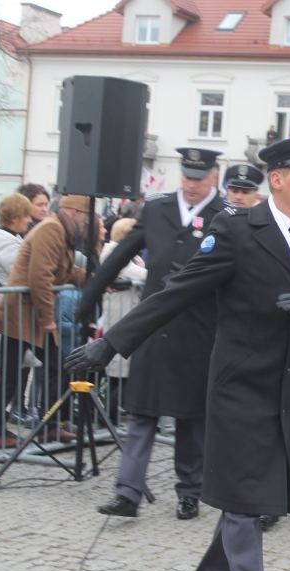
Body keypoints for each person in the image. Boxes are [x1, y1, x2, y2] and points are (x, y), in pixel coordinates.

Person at [66, 134, 290, 571]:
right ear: (277, 180)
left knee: (248, 505)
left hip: (289, 396)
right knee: (243, 507)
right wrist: (112, 344)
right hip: (238, 391)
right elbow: (177, 292)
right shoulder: (237, 230)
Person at [75, 148, 228, 522]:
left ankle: (189, 492)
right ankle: (127, 493)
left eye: (199, 178)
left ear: (214, 177)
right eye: (186, 176)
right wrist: (87, 300)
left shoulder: (226, 216)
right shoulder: (158, 209)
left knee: (191, 417)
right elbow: (120, 254)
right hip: (152, 327)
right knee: (141, 411)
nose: (191, 184)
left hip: (198, 329)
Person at [0, 194, 88, 450]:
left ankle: (40, 426)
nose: (86, 221)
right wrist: (47, 318)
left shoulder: (59, 229)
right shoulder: (52, 229)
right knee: (13, 374)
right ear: (74, 211)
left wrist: (99, 277)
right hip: (23, 314)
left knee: (51, 367)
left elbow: (65, 272)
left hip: (29, 314)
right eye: (85, 215)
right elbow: (40, 276)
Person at [99, 218, 147, 426]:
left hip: (126, 312)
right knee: (119, 373)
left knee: (123, 372)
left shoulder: (128, 255)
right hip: (120, 314)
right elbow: (141, 275)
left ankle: (110, 417)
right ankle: (106, 420)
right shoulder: (114, 253)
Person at [0, 193, 32, 286]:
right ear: (14, 218)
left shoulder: (0, 238)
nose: (30, 220)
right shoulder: (9, 247)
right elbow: (27, 276)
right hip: (7, 294)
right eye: (26, 216)